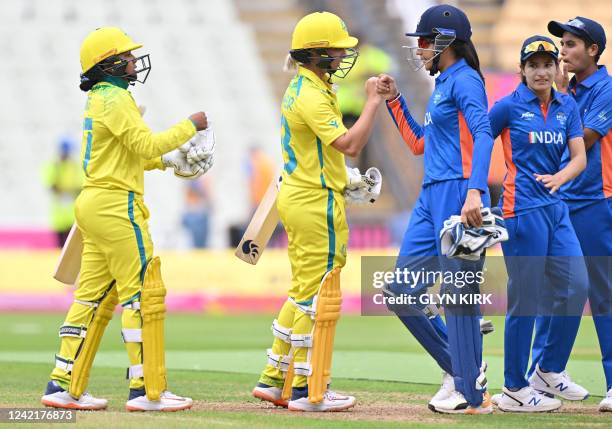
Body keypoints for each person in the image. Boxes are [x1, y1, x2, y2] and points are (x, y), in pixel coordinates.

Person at [41, 27, 213, 412]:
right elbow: (146, 144)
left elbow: (134, 153)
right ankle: (147, 390)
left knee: (90, 298)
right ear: (111, 63)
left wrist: (169, 161)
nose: (135, 62)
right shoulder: (116, 98)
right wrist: (190, 126)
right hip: (118, 206)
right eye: (129, 57)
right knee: (143, 293)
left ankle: (63, 383)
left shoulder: (102, 99)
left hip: (94, 203)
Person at [251, 11, 382, 412]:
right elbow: (349, 143)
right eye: (337, 50)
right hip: (313, 201)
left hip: (305, 194)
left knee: (303, 290)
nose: (343, 55)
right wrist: (374, 101)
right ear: (315, 54)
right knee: (319, 293)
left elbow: (326, 152)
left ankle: (274, 379)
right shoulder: (309, 92)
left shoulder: (307, 86)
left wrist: (344, 179)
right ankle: (309, 390)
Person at [376, 4, 495, 414]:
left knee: (458, 295)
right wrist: (395, 101)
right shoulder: (444, 83)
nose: (421, 49)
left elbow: (483, 132)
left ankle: (468, 390)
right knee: (399, 292)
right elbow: (419, 143)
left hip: (461, 193)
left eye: (425, 41)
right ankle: (461, 367)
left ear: (445, 42)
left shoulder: (466, 81)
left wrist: (476, 191)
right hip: (432, 196)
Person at [487, 35, 589, 412]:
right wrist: (474, 191)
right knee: (525, 300)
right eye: (533, 65)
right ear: (522, 71)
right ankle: (514, 388)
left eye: (548, 64)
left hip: (556, 207)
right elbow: (481, 140)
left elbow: (578, 157)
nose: (542, 71)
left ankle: (547, 369)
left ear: (556, 68)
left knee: (577, 286)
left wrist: (560, 178)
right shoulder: (508, 107)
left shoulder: (567, 106)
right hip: (520, 210)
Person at [529, 17, 611, 412]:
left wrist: (559, 97)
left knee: (603, 294)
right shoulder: (569, 90)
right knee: (552, 294)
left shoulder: (605, 88)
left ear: (594, 49)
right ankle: (539, 380)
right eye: (562, 43)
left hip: (595, 200)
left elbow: (584, 140)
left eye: (572, 44)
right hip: (561, 200)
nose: (563, 51)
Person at [42, 137, 83, 247]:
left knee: (70, 246)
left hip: (72, 215)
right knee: (60, 246)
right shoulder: (54, 165)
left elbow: (80, 187)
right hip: (59, 215)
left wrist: (66, 190)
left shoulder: (74, 166)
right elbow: (51, 186)